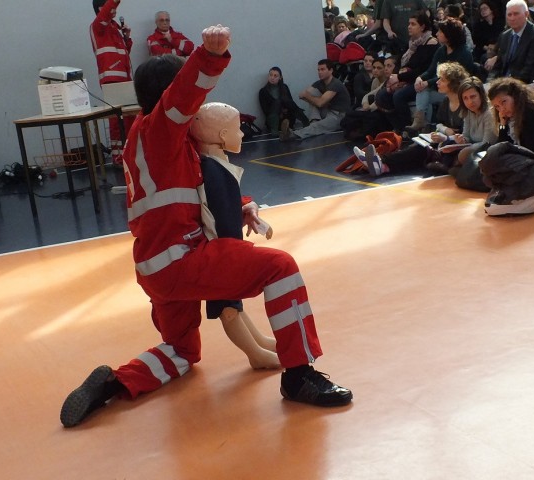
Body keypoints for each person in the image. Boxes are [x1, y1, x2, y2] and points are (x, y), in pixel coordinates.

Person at [59, 25, 352, 429]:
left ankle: (114, 382)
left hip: (153, 268)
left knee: (181, 351)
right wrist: (210, 55)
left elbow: (197, 189)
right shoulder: (161, 129)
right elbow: (182, 97)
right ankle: (300, 374)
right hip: (184, 258)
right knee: (280, 267)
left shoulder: (140, 143)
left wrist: (242, 204)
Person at [190, 102, 280, 370]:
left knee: (233, 300)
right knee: (227, 308)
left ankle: (259, 341)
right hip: (220, 250)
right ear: (221, 136)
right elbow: (218, 214)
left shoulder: (217, 165)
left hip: (225, 245)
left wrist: (243, 210)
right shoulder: (213, 170)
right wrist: (234, 247)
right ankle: (255, 354)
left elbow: (225, 208)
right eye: (237, 129)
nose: (242, 134)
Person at [358, 70, 497, 176]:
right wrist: (454, 139)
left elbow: (487, 143)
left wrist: (452, 140)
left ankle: (381, 161)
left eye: (473, 97)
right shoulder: (466, 111)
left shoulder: (488, 114)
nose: (469, 102)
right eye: (466, 98)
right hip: (458, 146)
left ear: (481, 96)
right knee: (421, 148)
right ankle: (383, 165)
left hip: (474, 152)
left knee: (425, 150)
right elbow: (465, 135)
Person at [375, 12, 439, 131]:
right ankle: (397, 126)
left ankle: (405, 129)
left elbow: (422, 70)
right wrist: (397, 78)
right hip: (407, 78)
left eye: (413, 24)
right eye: (409, 23)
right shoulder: (412, 43)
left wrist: (400, 78)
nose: (409, 26)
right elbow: (400, 63)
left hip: (423, 80)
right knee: (382, 94)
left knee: (399, 95)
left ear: (422, 27)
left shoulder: (431, 43)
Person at [90, 0, 135, 165]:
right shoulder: (98, 26)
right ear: (101, 8)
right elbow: (107, 11)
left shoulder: (115, 28)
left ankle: (129, 152)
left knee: (129, 117)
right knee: (117, 119)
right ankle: (118, 156)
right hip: (111, 78)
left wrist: (127, 39)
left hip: (123, 77)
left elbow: (123, 52)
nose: (114, 9)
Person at [409, 17, 474, 132]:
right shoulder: (441, 50)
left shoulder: (464, 53)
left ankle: (425, 126)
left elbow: (451, 78)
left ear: (449, 34)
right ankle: (422, 123)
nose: (437, 34)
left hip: (456, 92)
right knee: (422, 92)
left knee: (424, 91)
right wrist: (420, 78)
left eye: (440, 31)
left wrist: (427, 83)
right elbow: (431, 70)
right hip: (441, 88)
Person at [280, 59, 352, 141]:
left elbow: (319, 102)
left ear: (331, 70)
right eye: (318, 70)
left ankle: (292, 135)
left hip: (339, 116)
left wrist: (312, 98)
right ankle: (314, 122)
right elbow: (301, 95)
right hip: (327, 111)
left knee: (318, 124)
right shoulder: (319, 83)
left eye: (323, 69)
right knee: (314, 97)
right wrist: (315, 99)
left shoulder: (335, 84)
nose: (320, 72)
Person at [484, 0, 534, 84]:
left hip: (522, 84)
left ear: (526, 14)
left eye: (516, 14)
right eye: (509, 14)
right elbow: (497, 66)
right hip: (503, 82)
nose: (512, 18)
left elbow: (529, 70)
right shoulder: (504, 36)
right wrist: (489, 83)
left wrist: (507, 85)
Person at [258, 67, 310, 135]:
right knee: (278, 102)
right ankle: (277, 131)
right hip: (273, 121)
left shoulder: (284, 87)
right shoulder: (263, 91)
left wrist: (285, 109)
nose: (272, 77)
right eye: (270, 75)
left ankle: (305, 121)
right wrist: (280, 110)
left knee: (285, 100)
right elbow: (266, 111)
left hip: (287, 116)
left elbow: (291, 103)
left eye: (275, 76)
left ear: (280, 78)